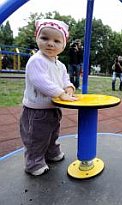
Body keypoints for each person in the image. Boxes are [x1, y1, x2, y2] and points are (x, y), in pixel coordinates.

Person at [20, 19, 78, 176]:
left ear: (63, 45)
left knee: (52, 133)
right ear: (37, 38)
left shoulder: (60, 65)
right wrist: (60, 94)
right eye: (45, 38)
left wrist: (69, 88)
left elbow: (65, 79)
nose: (50, 44)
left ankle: (51, 153)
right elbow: (41, 82)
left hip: (53, 108)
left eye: (56, 41)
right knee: (36, 138)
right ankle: (34, 163)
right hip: (36, 110)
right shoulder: (36, 60)